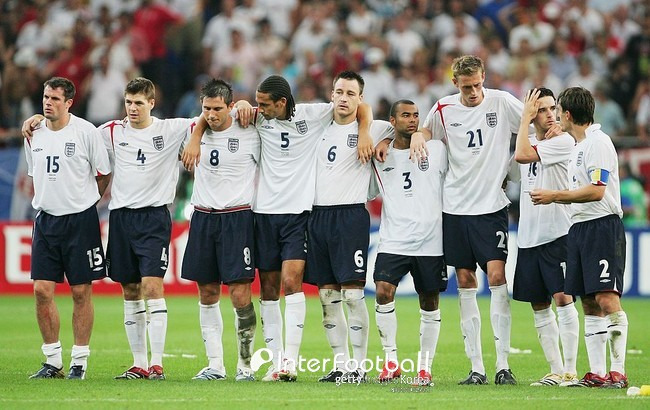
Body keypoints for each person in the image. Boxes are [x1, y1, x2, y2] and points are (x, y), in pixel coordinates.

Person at [183, 74, 373, 382]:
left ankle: (290, 363)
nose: (258, 108)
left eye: (264, 104)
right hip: (262, 216)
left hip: (298, 216)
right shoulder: (256, 118)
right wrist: (203, 131)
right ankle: (275, 364)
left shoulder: (313, 115)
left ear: (281, 103)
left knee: (291, 282)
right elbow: (212, 115)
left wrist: (365, 131)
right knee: (269, 290)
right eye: (256, 103)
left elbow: (357, 107)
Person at [411, 55, 522, 385]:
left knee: (497, 275)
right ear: (455, 82)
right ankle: (477, 367)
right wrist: (419, 135)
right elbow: (426, 129)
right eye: (467, 86)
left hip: (491, 208)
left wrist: (511, 169)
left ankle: (503, 364)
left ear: (484, 76)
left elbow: (533, 126)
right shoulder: (444, 108)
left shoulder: (501, 103)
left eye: (477, 84)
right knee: (465, 280)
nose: (473, 91)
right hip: (455, 208)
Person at [531, 87, 630, 389]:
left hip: (602, 225)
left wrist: (555, 196)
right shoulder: (578, 146)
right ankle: (597, 373)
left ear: (568, 114)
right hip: (579, 228)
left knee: (606, 297)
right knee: (588, 301)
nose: (556, 116)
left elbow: (597, 190)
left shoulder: (598, 143)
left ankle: (618, 371)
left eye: (559, 110)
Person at [100, 78, 195, 380]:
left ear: (152, 103)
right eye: (128, 102)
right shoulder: (111, 132)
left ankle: (157, 364)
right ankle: (138, 363)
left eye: (139, 103)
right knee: (129, 289)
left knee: (152, 287)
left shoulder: (169, 130)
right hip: (121, 219)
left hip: (154, 218)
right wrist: (38, 119)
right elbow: (72, 131)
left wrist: (194, 141)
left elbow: (208, 115)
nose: (132, 108)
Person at [304, 71, 392, 384]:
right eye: (339, 91)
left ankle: (360, 366)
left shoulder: (374, 127)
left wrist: (370, 131)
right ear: (331, 94)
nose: (343, 98)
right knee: (327, 297)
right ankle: (340, 364)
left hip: (350, 216)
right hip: (316, 218)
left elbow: (408, 126)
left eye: (350, 93)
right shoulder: (317, 128)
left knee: (353, 295)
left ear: (360, 99)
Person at [25, 77, 111, 379]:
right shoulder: (32, 132)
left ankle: (80, 360)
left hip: (80, 220)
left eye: (55, 99)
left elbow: (103, 174)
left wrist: (85, 203)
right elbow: (34, 174)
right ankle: (52, 361)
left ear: (69, 103)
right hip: (47, 220)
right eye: (46, 97)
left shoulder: (87, 132)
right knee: (41, 290)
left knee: (80, 291)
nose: (48, 103)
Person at [180, 78, 259, 381]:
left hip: (237, 218)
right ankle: (215, 365)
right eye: (206, 109)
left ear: (229, 106)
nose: (211, 115)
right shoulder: (191, 130)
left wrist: (243, 104)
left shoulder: (249, 129)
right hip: (203, 217)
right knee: (207, 292)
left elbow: (258, 111)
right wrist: (197, 132)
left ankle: (246, 364)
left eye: (217, 109)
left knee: (240, 295)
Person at [372, 100, 447, 387]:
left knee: (429, 301)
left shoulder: (437, 150)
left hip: (430, 241)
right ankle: (391, 360)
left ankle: (424, 367)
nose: (412, 120)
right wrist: (383, 141)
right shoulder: (381, 155)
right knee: (382, 291)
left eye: (416, 115)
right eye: (405, 115)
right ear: (392, 120)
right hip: (394, 239)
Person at [512, 88, 580, 387]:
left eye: (552, 108)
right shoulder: (533, 141)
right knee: (539, 305)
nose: (549, 114)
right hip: (528, 236)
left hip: (558, 232)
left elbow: (522, 156)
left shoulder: (563, 141)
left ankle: (571, 369)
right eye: (541, 109)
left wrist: (525, 124)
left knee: (563, 299)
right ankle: (555, 370)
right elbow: (514, 167)